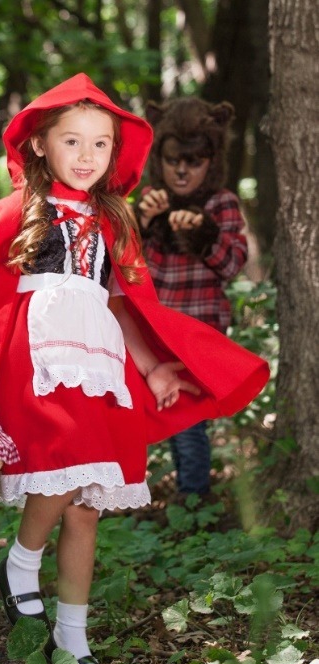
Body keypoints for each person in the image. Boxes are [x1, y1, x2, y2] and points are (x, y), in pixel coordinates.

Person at [0, 74, 269, 664]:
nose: (86, 156)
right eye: (72, 141)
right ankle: (22, 563)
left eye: (100, 144)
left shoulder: (115, 219)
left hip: (99, 361)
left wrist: (153, 365)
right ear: (41, 146)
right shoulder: (18, 213)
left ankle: (72, 638)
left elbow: (122, 303)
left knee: (85, 508)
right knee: (70, 457)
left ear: (115, 152)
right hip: (40, 363)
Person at [137, 97, 248, 498]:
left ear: (211, 160)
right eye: (172, 160)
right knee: (175, 415)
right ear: (160, 158)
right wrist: (141, 223)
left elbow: (233, 264)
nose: (182, 170)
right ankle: (191, 498)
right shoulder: (151, 200)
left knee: (186, 418)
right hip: (155, 331)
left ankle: (195, 500)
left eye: (194, 161)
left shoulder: (222, 204)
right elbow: (125, 266)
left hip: (199, 331)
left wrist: (204, 235)